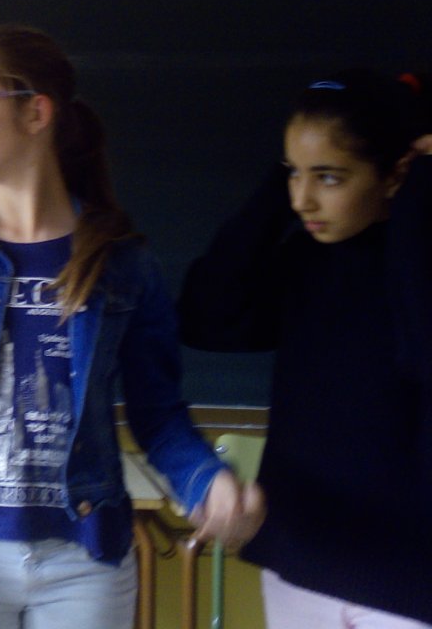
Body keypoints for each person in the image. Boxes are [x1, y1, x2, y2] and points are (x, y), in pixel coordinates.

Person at [0, 25, 264, 628]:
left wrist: (207, 481)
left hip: (87, 560)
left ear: (35, 111)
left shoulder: (122, 263)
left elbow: (157, 414)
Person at [179, 69, 432, 627]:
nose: (303, 200)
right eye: (294, 173)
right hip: (301, 556)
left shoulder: (413, 262)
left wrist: (419, 197)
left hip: (408, 576)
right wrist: (280, 185)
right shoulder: (305, 261)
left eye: (330, 178)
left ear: (396, 175)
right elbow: (207, 316)